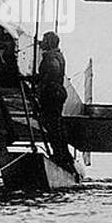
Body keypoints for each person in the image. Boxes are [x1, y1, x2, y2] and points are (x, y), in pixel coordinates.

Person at [33, 31, 74, 171]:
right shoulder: (58, 55)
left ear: (50, 42)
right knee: (56, 125)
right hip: (57, 92)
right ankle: (64, 155)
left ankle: (60, 156)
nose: (41, 43)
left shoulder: (50, 57)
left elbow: (53, 69)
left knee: (52, 126)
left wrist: (41, 82)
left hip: (51, 93)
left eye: (44, 40)